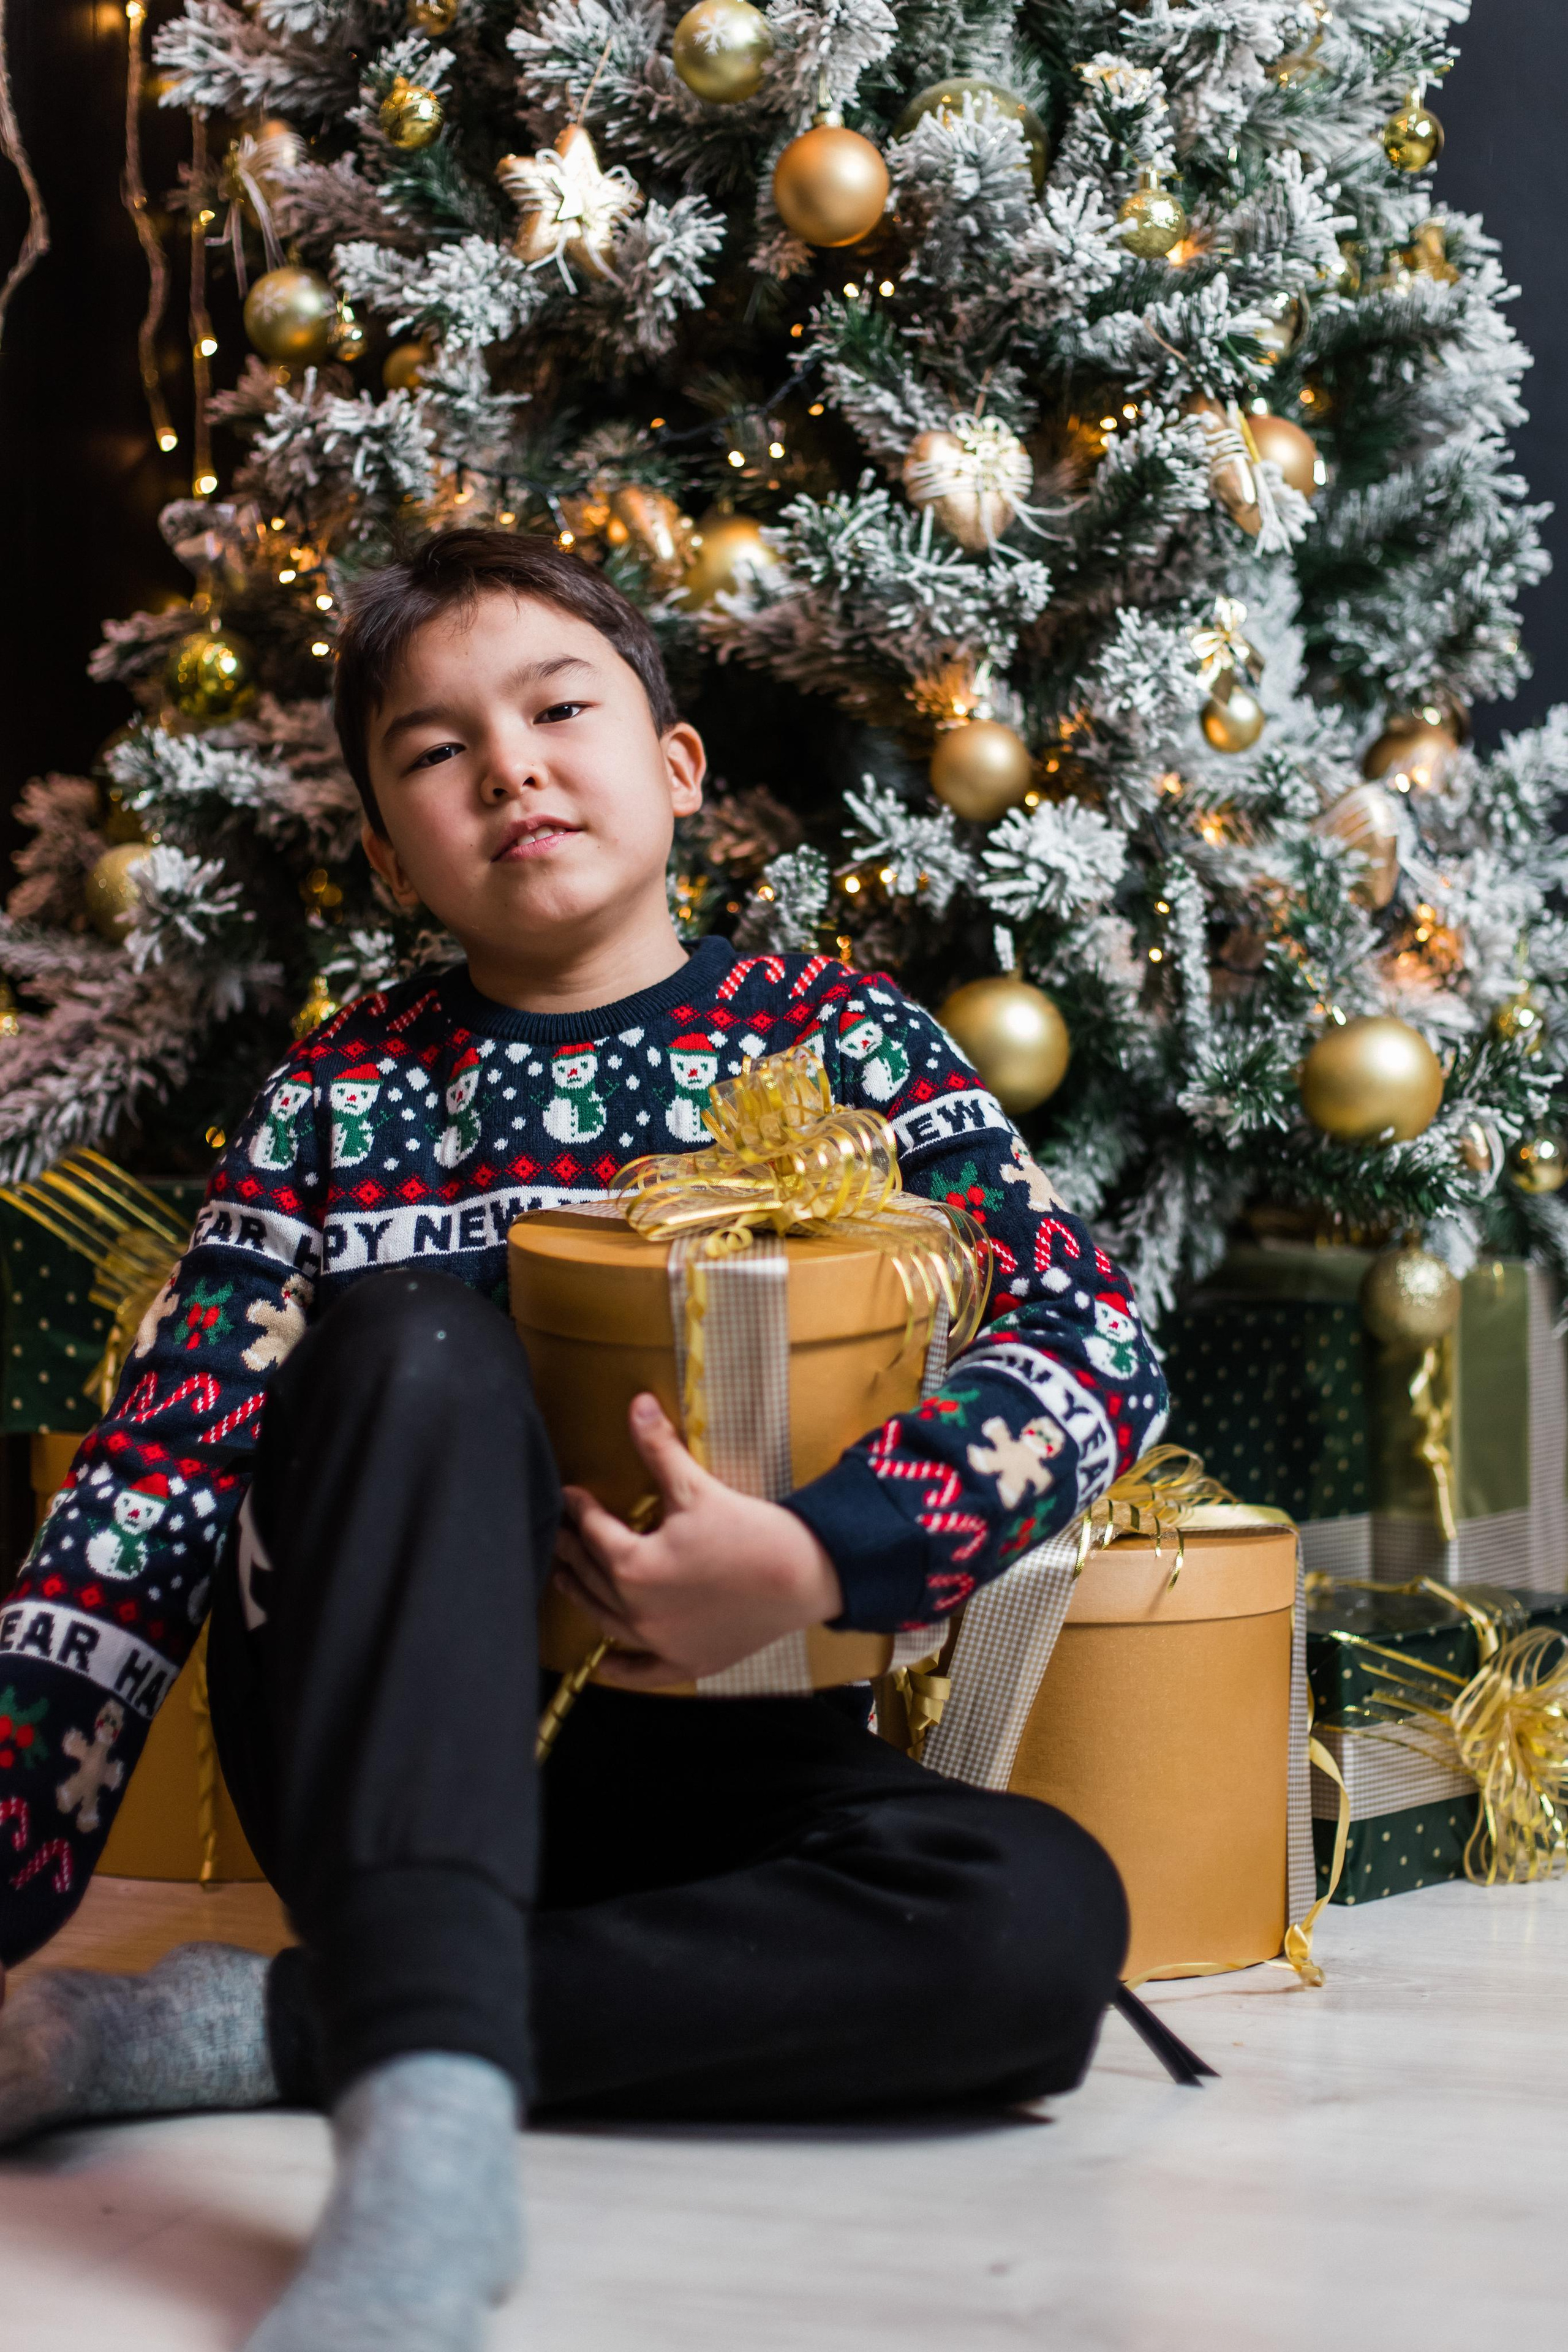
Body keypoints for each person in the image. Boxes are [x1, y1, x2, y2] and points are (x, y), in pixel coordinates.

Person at [0, 532, 1167, 2351]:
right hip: (383, 1748)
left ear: (677, 769)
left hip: (718, 1757)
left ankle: (265, 2030)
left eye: (559, 710)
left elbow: (1094, 1340)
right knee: (414, 1345)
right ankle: (422, 2147)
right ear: (391, 853)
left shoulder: (843, 1040)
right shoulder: (342, 1090)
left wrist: (810, 1561)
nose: (513, 767)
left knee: (1038, 1929)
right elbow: (148, 1496)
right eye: (436, 751)